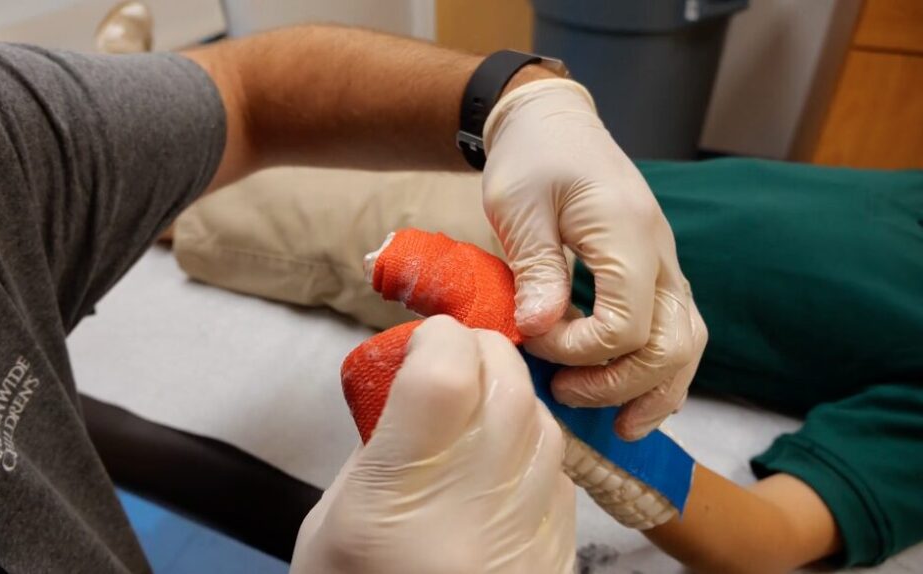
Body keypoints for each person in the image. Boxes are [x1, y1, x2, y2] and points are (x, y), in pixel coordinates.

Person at [0, 0, 705, 571]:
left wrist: (521, 100)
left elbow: (250, 93)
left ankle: (121, 68)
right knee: (263, 223)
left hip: (525, 204)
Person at [167, 157, 923, 572]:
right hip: (585, 178)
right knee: (294, 133)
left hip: (532, 277)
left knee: (220, 198)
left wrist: (574, 417)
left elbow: (771, 540)